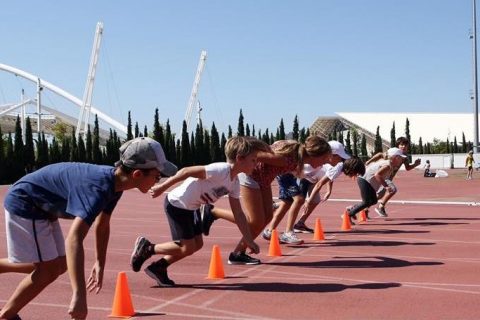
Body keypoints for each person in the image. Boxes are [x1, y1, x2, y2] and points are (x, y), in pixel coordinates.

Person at [0, 137, 177, 320]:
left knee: (59, 265)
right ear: (137, 174)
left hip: (43, 205)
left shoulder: (116, 185)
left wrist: (100, 262)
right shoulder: (98, 189)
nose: (158, 181)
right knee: (48, 270)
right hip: (26, 202)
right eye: (157, 176)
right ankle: (6, 315)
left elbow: (102, 224)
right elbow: (74, 239)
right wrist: (79, 295)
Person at [129, 136, 269, 286]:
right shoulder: (221, 170)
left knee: (196, 245)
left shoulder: (234, 183)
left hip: (191, 208)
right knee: (187, 246)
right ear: (240, 158)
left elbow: (238, 213)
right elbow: (186, 171)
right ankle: (148, 248)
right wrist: (163, 187)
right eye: (253, 160)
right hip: (178, 204)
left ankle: (159, 267)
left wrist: (248, 240)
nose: (256, 164)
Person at [201, 135, 332, 264]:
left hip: (264, 179)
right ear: (316, 155)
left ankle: (238, 254)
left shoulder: (296, 154)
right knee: (256, 221)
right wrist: (236, 166)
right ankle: (213, 213)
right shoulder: (288, 159)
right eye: (325, 158)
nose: (325, 162)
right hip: (251, 176)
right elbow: (255, 154)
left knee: (268, 216)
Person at [264, 141, 356, 243]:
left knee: (287, 202)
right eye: (339, 158)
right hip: (286, 174)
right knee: (299, 200)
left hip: (291, 175)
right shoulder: (310, 160)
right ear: (330, 155)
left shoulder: (324, 163)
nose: (340, 161)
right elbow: (317, 182)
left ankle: (269, 230)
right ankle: (288, 232)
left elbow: (327, 179)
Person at [347, 147, 406, 223]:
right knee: (367, 202)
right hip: (364, 180)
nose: (402, 160)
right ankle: (349, 214)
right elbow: (377, 175)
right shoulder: (387, 165)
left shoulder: (389, 164)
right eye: (401, 158)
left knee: (373, 200)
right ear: (396, 157)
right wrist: (386, 186)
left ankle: (351, 209)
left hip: (366, 180)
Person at [366, 137, 421, 217]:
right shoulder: (392, 153)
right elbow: (380, 154)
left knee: (379, 195)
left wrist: (415, 164)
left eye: (405, 145)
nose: (403, 147)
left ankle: (364, 208)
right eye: (401, 145)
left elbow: (407, 168)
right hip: (382, 175)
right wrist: (369, 161)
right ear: (398, 145)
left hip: (388, 177)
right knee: (392, 189)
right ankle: (380, 207)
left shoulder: (405, 157)